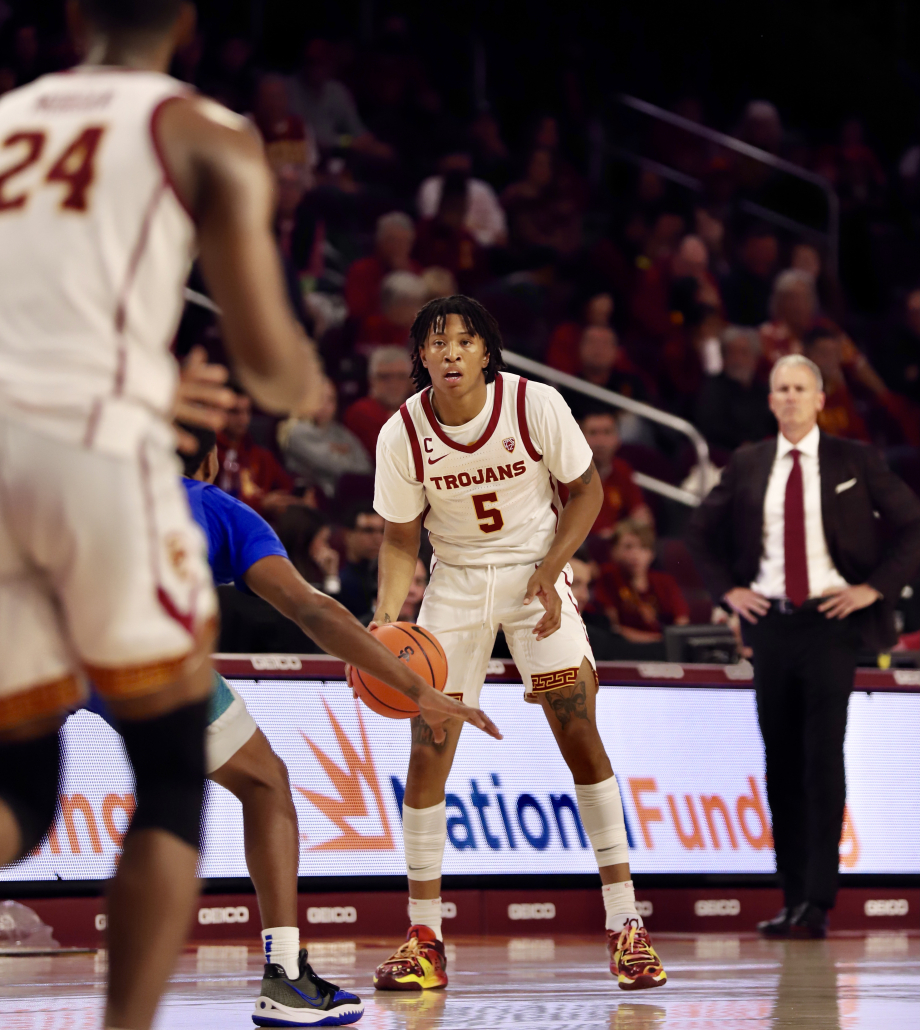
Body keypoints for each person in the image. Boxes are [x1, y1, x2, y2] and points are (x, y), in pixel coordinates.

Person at [0, 2, 324, 1028]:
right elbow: (270, 360)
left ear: (72, 14)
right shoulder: (203, 132)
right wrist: (299, 380)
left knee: (22, 805)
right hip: (94, 472)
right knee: (174, 776)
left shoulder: (8, 118)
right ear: (187, 22)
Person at [371, 295, 667, 991]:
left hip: (536, 576)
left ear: (485, 353)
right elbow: (397, 537)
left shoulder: (536, 405)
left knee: (577, 728)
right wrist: (386, 622)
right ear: (421, 357)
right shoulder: (402, 433)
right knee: (429, 746)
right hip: (457, 586)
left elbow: (586, 491)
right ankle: (424, 936)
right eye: (436, 342)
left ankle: (626, 923)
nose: (449, 352)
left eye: (463, 341)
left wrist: (551, 570)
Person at [157, 426, 498, 1026]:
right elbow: (310, 607)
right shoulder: (216, 507)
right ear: (212, 461)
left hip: (40, 639)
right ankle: (284, 976)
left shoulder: (84, 484)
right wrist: (418, 688)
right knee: (264, 784)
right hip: (140, 652)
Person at [687, 354, 920, 938]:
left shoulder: (855, 459)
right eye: (780, 389)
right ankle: (792, 896)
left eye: (800, 388)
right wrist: (729, 591)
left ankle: (818, 899)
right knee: (780, 759)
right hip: (770, 624)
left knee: (822, 756)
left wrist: (874, 589)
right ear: (770, 401)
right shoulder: (748, 462)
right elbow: (698, 532)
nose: (789, 397)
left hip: (830, 623)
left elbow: (913, 525)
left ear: (820, 398)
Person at [594, 521, 690, 643]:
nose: (636, 554)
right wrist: (658, 640)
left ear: (652, 554)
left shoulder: (665, 581)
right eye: (628, 547)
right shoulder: (608, 578)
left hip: (665, 649)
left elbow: (681, 623)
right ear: (613, 550)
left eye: (643, 547)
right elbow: (613, 628)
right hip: (625, 648)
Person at [279, 378, 372, 499]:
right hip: (318, 501)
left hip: (350, 497)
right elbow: (335, 466)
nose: (324, 406)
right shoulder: (296, 431)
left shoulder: (341, 432)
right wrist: (346, 456)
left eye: (331, 400)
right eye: (318, 399)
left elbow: (366, 467)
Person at [218, 387, 299, 519]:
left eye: (247, 412)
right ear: (220, 412)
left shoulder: (260, 454)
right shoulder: (212, 454)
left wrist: (298, 496)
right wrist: (261, 505)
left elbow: (287, 486)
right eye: (235, 412)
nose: (243, 419)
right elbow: (218, 504)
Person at [694, 327, 775, 452]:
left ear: (755, 358)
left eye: (743, 353)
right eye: (731, 353)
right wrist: (742, 443)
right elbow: (712, 428)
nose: (737, 360)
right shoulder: (712, 389)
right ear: (723, 357)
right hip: (727, 455)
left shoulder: (763, 390)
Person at [579, 410, 653, 536]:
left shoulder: (622, 469)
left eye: (607, 432)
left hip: (614, 546)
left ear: (617, 439)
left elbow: (640, 513)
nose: (600, 441)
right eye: (593, 433)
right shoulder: (563, 473)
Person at [416, 149, 507, 247]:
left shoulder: (482, 188)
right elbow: (435, 223)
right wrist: (480, 235)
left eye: (462, 156)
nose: (459, 161)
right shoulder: (431, 186)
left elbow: (499, 232)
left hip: (480, 248)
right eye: (455, 156)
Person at [344, 212, 420, 322]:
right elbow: (356, 313)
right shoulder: (361, 270)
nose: (398, 247)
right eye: (392, 240)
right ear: (379, 241)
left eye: (404, 241)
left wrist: (404, 274)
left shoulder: (415, 272)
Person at [343, 346, 414, 460]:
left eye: (401, 377)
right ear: (372, 380)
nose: (394, 384)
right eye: (385, 377)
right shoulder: (361, 412)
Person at [338, 505, 385, 620]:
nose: (378, 538)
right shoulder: (339, 584)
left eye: (382, 531)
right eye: (368, 531)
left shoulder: (389, 580)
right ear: (348, 535)